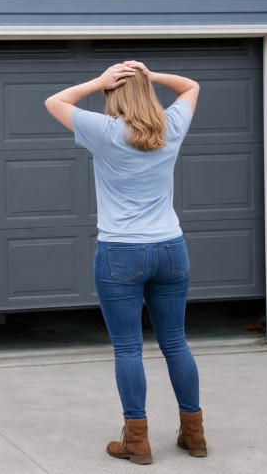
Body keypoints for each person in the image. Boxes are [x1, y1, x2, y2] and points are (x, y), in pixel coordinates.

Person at [44, 61, 206, 466]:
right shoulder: (171, 125)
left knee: (129, 348)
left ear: (110, 94)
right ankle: (194, 434)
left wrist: (100, 80)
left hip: (121, 253)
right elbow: (191, 86)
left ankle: (137, 442)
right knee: (175, 343)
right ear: (148, 92)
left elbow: (54, 102)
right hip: (171, 249)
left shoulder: (104, 130)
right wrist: (152, 76)